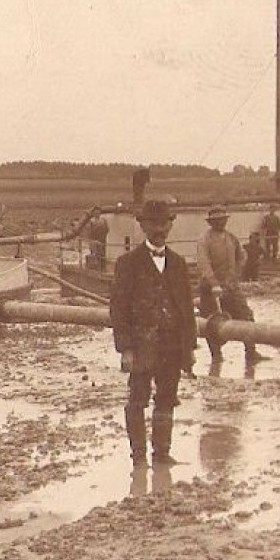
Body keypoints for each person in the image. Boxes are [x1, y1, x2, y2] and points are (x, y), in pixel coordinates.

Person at [109, 200, 197, 467]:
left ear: (170, 225)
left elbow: (186, 309)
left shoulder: (179, 264)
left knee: (167, 398)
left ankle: (161, 454)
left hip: (172, 344)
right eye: (154, 224)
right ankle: (138, 457)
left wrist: (189, 348)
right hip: (141, 344)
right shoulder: (128, 263)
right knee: (137, 399)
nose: (160, 229)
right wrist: (125, 349)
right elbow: (119, 309)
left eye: (165, 223)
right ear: (144, 226)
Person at [196, 205, 263, 371]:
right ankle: (216, 356)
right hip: (210, 289)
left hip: (231, 286)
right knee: (212, 322)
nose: (220, 223)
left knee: (246, 315)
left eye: (223, 220)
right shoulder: (204, 239)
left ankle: (251, 351)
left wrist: (235, 275)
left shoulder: (231, 238)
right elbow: (203, 263)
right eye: (217, 220)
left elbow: (242, 256)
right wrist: (213, 283)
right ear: (211, 222)